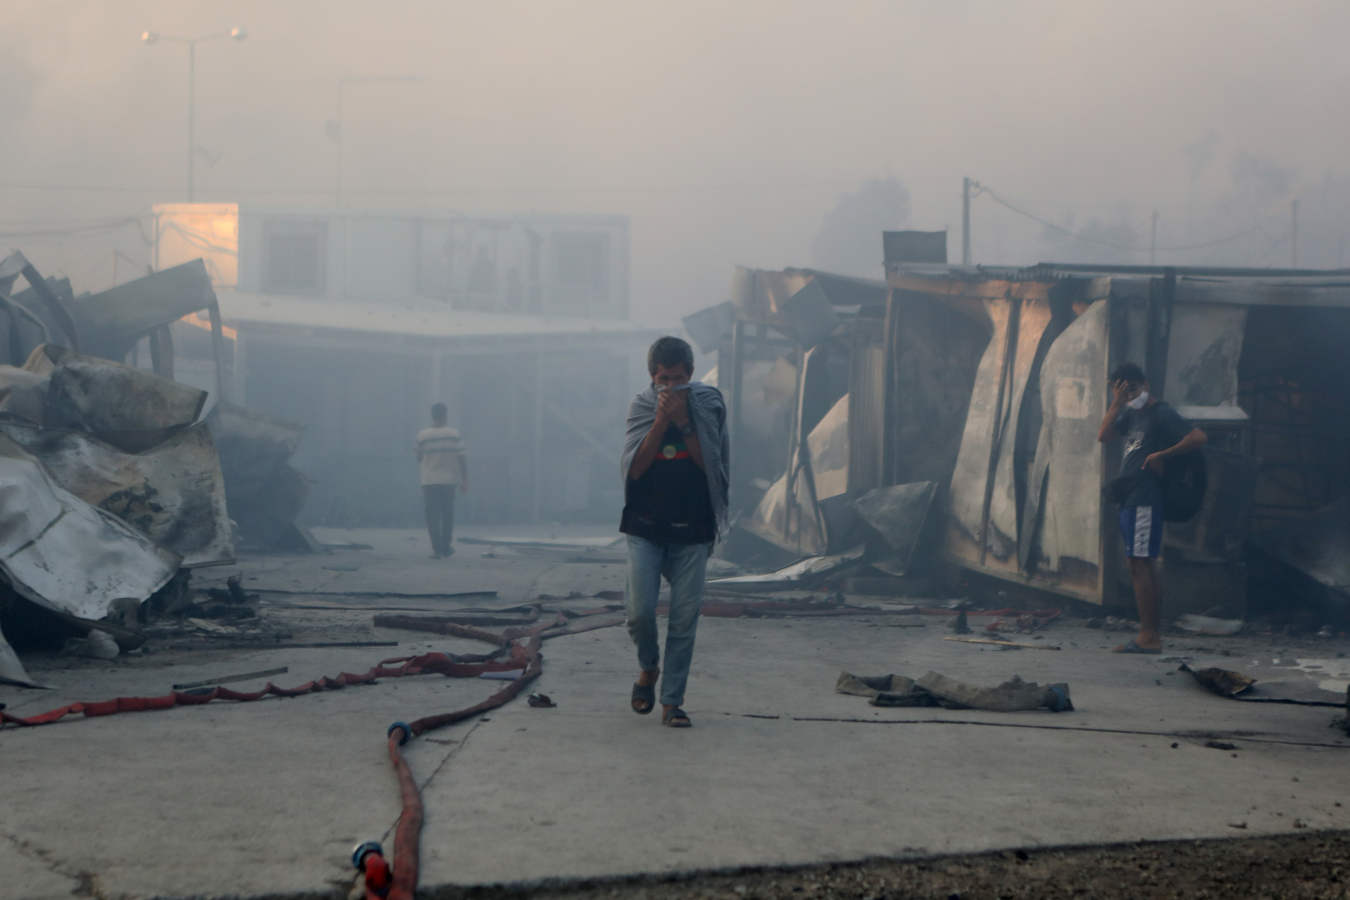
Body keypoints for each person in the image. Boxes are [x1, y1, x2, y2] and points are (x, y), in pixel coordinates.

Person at [619, 336, 729, 728]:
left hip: (692, 528)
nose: (671, 388)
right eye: (664, 380)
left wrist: (684, 422)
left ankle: (671, 702)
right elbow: (635, 468)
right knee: (639, 613)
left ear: (691, 375)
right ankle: (648, 667)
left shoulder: (708, 405)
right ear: (652, 378)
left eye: (678, 379)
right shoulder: (642, 407)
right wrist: (662, 420)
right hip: (645, 526)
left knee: (684, 620)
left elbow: (711, 467)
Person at [1096, 362, 1207, 653]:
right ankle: (1148, 633)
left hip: (1146, 497)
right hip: (1130, 496)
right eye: (1121, 389)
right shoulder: (1132, 415)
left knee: (1141, 563)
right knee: (1137, 563)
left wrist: (1162, 454)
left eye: (1132, 388)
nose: (1129, 394)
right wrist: (1116, 404)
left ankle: (1150, 635)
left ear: (1145, 384)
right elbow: (1103, 436)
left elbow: (1198, 437)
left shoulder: (1162, 413)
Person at [416, 403, 468, 559]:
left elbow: (419, 458)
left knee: (432, 515)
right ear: (445, 415)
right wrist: (465, 479)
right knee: (447, 514)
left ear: (432, 415)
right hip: (448, 480)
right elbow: (462, 457)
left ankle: (437, 549)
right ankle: (446, 547)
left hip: (429, 480)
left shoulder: (422, 436)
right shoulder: (454, 434)